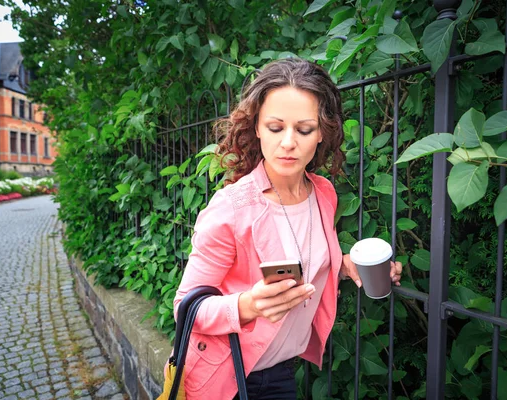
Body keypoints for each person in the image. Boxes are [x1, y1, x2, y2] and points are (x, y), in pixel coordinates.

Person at [172, 58, 403, 400]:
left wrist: (344, 264)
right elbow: (185, 308)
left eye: (304, 129)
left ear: (323, 131)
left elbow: (307, 253)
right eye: (276, 127)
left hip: (281, 371)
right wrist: (248, 305)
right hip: (226, 377)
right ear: (258, 128)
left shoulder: (323, 192)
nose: (288, 142)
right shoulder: (230, 208)